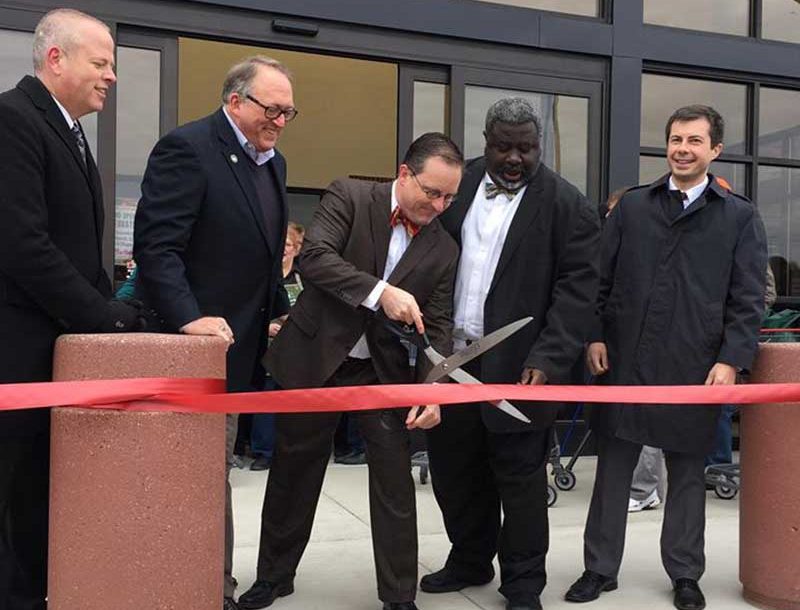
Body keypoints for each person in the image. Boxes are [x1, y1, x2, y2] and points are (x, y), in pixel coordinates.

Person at [237, 132, 463, 610]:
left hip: (380, 372)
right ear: (404, 174)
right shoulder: (350, 195)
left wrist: (433, 389)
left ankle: (399, 596)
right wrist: (383, 293)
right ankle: (274, 577)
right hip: (314, 359)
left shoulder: (444, 248)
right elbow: (315, 258)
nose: (441, 205)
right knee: (293, 474)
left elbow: (438, 325)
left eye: (450, 197)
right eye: (432, 192)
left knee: (395, 483)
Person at [565, 105, 767, 610]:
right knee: (612, 472)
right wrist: (593, 335)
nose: (682, 149)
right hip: (626, 363)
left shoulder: (739, 216)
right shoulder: (632, 208)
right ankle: (598, 569)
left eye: (695, 141)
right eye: (676, 139)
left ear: (715, 150)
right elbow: (598, 279)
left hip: (694, 367)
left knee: (686, 475)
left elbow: (746, 299)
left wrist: (731, 359)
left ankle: (684, 574)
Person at [421, 97, 601, 610]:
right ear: (486, 142)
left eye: (526, 148)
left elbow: (577, 292)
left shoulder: (569, 205)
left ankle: (523, 585)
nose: (515, 159)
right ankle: (469, 559)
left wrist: (548, 357)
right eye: (504, 147)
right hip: (449, 361)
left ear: (538, 145)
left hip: (524, 367)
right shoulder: (457, 187)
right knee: (455, 469)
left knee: (520, 481)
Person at [133, 55, 295, 610]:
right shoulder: (188, 149)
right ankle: (207, 590)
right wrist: (188, 317)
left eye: (287, 112)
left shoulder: (272, 164)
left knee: (211, 475)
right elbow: (158, 249)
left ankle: (209, 586)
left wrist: (280, 311)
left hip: (243, 351)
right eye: (271, 109)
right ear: (235, 101)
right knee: (199, 479)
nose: (279, 120)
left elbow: (265, 255)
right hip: (189, 355)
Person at [0, 9, 146, 609]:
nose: (111, 76)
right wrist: (107, 316)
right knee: (12, 502)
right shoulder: (13, 120)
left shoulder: (70, 130)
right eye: (101, 62)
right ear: (55, 58)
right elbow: (23, 246)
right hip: (16, 358)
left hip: (52, 361)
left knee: (38, 500)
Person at [250, 221, 305, 472]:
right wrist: (266, 327)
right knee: (265, 399)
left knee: (292, 402)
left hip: (295, 348)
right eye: (281, 245)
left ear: (296, 248)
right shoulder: (263, 276)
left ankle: (290, 451)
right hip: (265, 347)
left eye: (289, 245)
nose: (284, 250)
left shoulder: (303, 277)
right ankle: (263, 452)